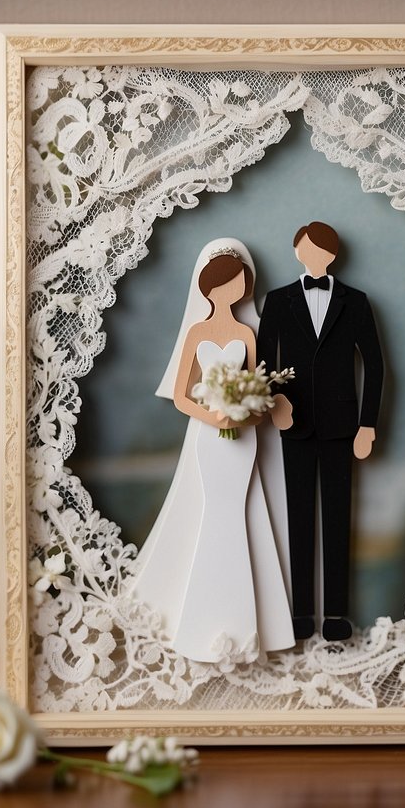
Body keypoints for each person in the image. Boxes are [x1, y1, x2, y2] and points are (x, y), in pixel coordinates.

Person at [130, 239, 295, 664]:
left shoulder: (246, 333)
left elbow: (259, 384)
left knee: (242, 516)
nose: (235, 291)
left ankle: (244, 623)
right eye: (228, 284)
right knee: (213, 516)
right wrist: (214, 415)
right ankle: (198, 624)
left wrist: (246, 412)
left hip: (245, 436)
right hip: (209, 436)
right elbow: (183, 395)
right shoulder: (198, 334)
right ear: (209, 288)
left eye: (241, 284)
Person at [256, 221, 384, 642]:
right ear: (297, 252)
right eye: (306, 249)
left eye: (321, 250)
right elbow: (259, 364)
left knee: (337, 518)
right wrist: (276, 402)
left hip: (342, 428)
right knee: (299, 518)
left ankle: (336, 616)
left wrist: (367, 424)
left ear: (332, 255)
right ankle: (301, 614)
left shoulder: (357, 301)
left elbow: (376, 366)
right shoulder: (277, 301)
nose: (314, 257)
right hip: (292, 425)